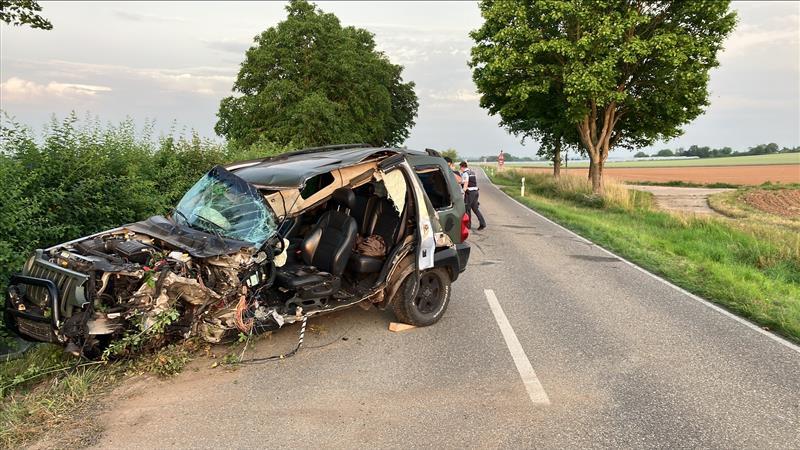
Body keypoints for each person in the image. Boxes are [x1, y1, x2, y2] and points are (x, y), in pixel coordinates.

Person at [459, 161, 486, 230]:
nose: (460, 169)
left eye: (460, 168)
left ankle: (468, 226)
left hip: (470, 193)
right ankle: (482, 223)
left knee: (467, 208)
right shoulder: (472, 172)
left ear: (462, 167)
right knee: (475, 208)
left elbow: (466, 183)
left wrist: (462, 192)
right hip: (476, 192)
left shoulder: (465, 174)